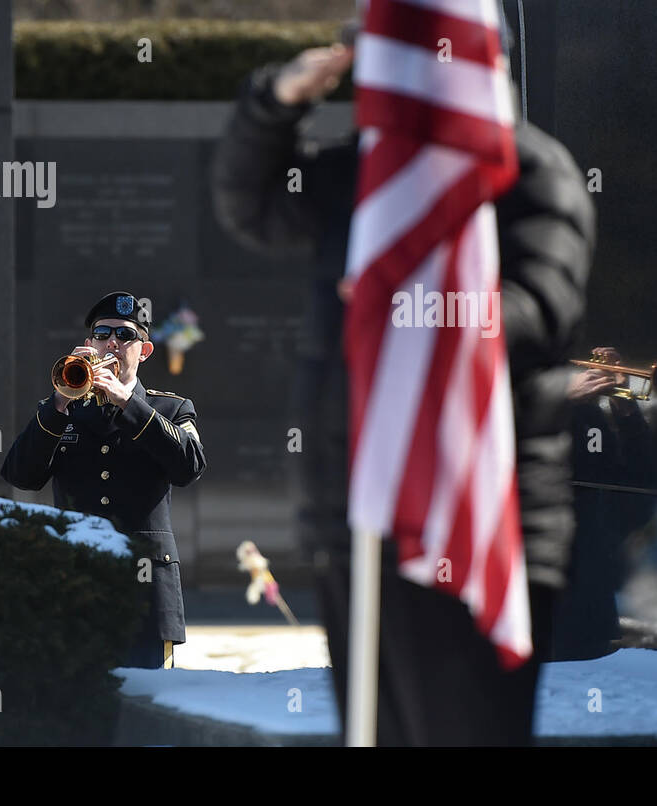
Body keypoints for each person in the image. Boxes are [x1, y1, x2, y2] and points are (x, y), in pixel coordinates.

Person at [210, 43, 594, 745]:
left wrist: (421, 311)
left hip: (476, 524)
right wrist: (277, 103)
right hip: (356, 515)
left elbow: (541, 305)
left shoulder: (531, 169)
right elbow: (254, 205)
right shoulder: (367, 172)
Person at [1, 291, 206, 669]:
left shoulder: (171, 409)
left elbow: (189, 467)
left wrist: (128, 403)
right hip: (77, 582)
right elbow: (21, 476)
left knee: (148, 704)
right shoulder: (63, 410)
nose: (112, 342)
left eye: (125, 335)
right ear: (89, 343)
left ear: (143, 350)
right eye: (102, 333)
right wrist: (59, 402)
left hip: (147, 589)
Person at [553, 347, 657, 660]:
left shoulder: (588, 414)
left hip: (586, 605)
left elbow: (637, 480)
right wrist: (560, 403)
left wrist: (625, 409)